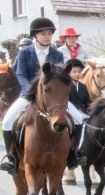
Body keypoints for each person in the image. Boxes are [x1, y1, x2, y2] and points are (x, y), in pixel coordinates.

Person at [1, 18, 64, 173]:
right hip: (28, 94)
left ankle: (74, 154)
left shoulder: (57, 55)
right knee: (8, 121)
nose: (47, 36)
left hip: (52, 97)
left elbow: (59, 75)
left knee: (78, 119)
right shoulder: (24, 53)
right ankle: (11, 158)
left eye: (49, 33)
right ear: (35, 35)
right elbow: (21, 74)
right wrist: (32, 90)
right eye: (43, 33)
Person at [63, 59, 105, 170]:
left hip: (81, 111)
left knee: (98, 124)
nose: (77, 74)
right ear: (68, 73)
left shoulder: (82, 87)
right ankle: (73, 153)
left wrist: (95, 114)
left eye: (79, 72)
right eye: (74, 72)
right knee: (78, 123)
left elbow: (87, 102)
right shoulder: (65, 86)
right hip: (68, 110)